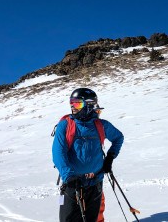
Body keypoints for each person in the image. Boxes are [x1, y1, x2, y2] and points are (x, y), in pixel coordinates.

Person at [52, 88, 124, 222]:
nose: (73, 107)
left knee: (92, 219)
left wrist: (110, 158)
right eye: (72, 103)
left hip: (95, 181)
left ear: (89, 105)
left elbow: (118, 138)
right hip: (72, 182)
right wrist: (69, 176)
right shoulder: (65, 125)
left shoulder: (101, 125)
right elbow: (58, 153)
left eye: (77, 104)